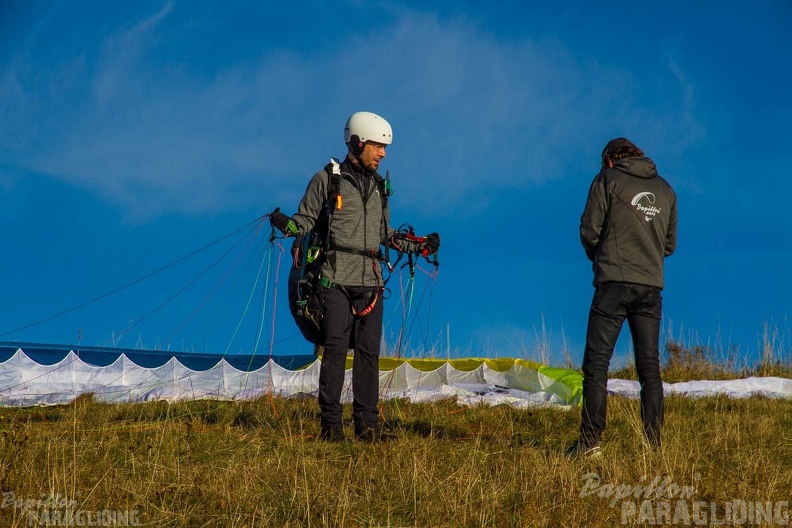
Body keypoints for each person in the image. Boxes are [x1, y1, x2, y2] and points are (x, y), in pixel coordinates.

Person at [270, 111, 440, 442]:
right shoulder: (326, 180)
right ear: (358, 142)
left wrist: (418, 247)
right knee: (334, 348)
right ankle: (331, 427)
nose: (383, 153)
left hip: (371, 282)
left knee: (368, 353)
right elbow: (304, 220)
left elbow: (386, 234)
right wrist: (288, 226)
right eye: (378, 146)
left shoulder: (380, 187)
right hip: (333, 280)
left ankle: (368, 427)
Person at [567, 137, 677, 457]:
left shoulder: (606, 180)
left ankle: (590, 443)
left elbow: (590, 229)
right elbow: (669, 245)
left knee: (597, 364)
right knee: (649, 369)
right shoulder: (667, 191)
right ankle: (653, 447)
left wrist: (599, 257)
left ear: (610, 160)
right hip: (650, 287)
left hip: (613, 282)